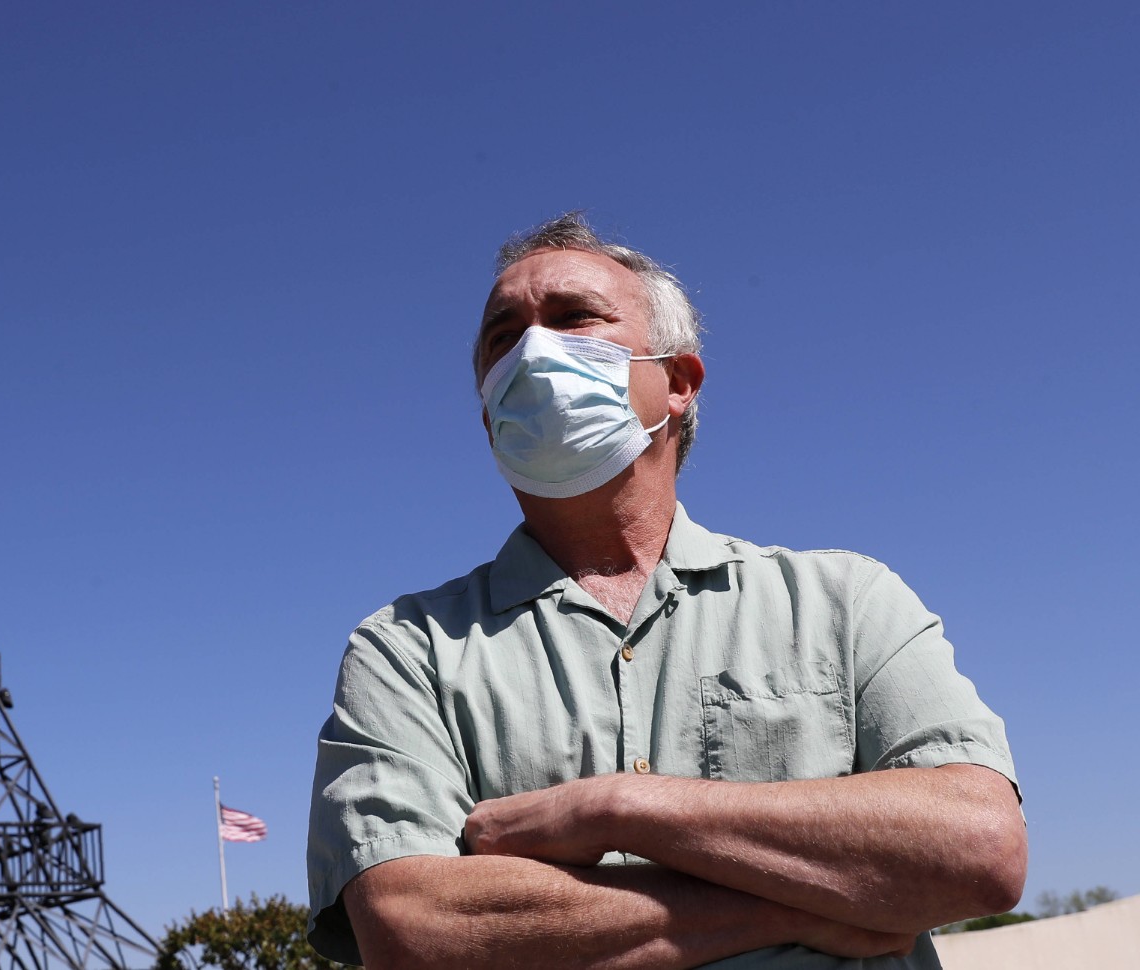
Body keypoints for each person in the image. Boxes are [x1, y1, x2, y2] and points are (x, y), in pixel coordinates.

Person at [305, 213, 1025, 969]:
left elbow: (978, 847)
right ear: (488, 409)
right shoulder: (406, 649)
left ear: (678, 381)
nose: (532, 350)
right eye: (502, 335)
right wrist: (812, 894)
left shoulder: (845, 600)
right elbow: (412, 927)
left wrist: (620, 808)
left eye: (573, 317)